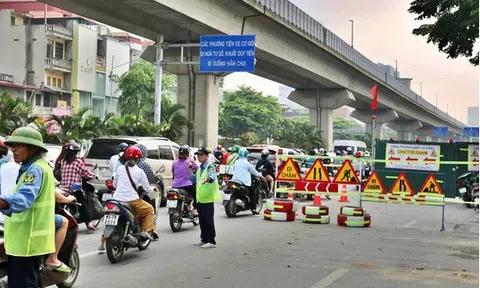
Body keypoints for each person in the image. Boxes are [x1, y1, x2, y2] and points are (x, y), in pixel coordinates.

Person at [0, 127, 56, 287]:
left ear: (33, 148)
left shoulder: (36, 169)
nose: (14, 149)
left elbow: (21, 200)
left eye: (19, 145)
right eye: (12, 145)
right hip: (26, 242)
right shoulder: (35, 167)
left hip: (26, 242)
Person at [112, 146, 154, 240]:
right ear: (138, 159)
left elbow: (115, 185)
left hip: (116, 200)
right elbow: (147, 188)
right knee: (149, 210)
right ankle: (146, 231)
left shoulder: (119, 168)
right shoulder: (140, 171)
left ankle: (103, 242)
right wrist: (151, 190)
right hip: (132, 201)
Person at [59, 142, 97, 231]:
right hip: (74, 188)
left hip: (63, 188)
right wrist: (94, 176)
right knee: (83, 204)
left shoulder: (63, 162)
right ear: (76, 153)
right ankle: (89, 223)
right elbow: (85, 172)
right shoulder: (77, 162)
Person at [191, 146, 219, 248]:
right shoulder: (199, 168)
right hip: (200, 198)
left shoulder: (210, 166)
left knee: (208, 220)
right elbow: (194, 180)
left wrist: (206, 180)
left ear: (206, 156)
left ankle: (212, 241)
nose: (199, 157)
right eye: (198, 155)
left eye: (201, 155)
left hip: (207, 198)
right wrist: (190, 170)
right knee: (202, 220)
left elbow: (212, 177)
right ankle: (204, 239)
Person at [44, 190, 76, 273]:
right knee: (64, 222)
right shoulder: (43, 176)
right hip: (38, 216)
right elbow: (55, 195)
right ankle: (52, 258)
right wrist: (69, 199)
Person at [231, 148, 259, 214]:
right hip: (244, 183)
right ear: (246, 155)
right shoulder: (247, 163)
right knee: (253, 193)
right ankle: (253, 208)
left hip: (234, 181)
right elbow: (254, 173)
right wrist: (258, 174)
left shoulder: (236, 162)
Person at [172, 145, 198, 215]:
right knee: (197, 194)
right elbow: (197, 169)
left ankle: (187, 205)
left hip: (175, 185)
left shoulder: (174, 162)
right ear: (187, 154)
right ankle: (195, 209)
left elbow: (173, 174)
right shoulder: (190, 161)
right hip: (187, 185)